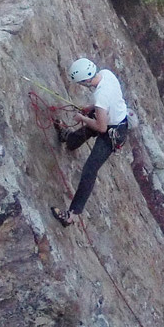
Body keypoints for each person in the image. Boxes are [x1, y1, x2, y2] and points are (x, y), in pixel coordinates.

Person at [51, 58, 129, 227]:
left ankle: (71, 216)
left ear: (86, 81)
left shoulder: (101, 95)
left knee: (89, 171)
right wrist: (92, 108)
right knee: (91, 122)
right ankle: (70, 140)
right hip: (118, 121)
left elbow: (101, 127)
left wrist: (83, 118)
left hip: (112, 133)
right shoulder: (106, 74)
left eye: (81, 83)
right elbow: (109, 100)